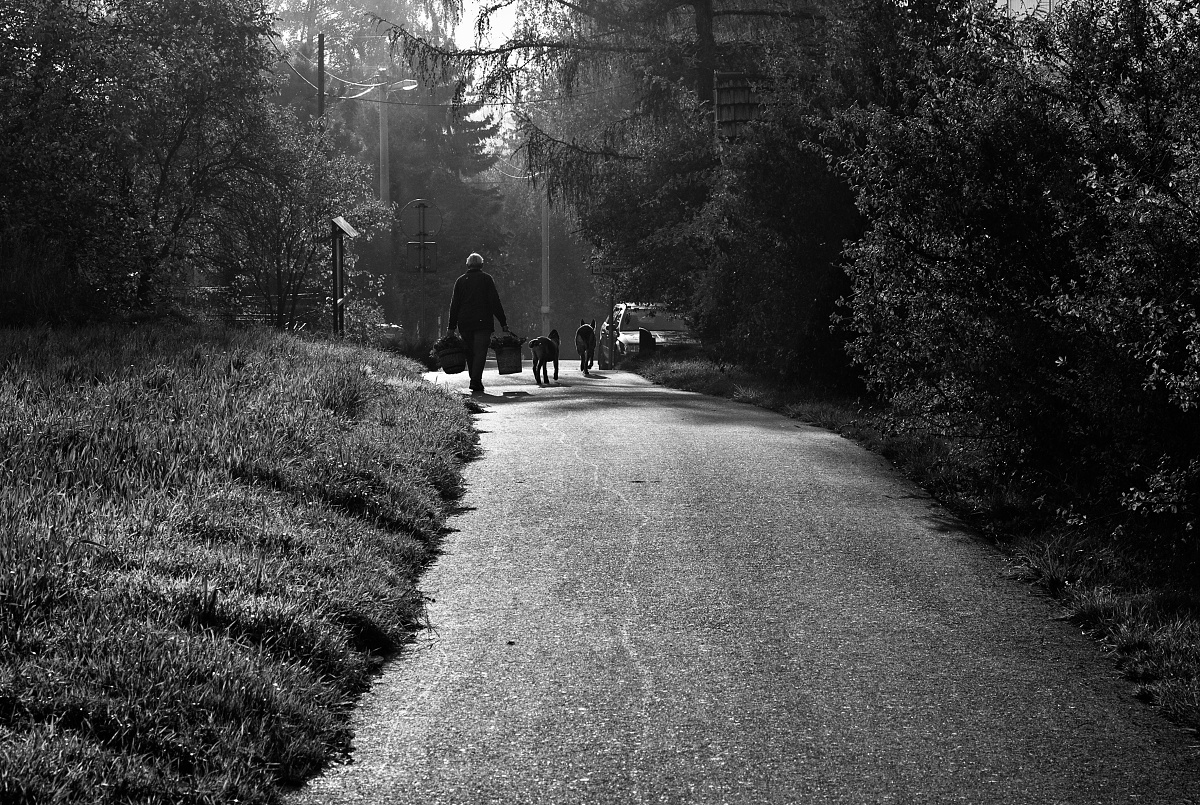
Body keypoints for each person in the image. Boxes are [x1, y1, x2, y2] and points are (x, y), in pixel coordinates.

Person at [447, 252, 509, 395]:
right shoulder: (486, 279)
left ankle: (474, 379)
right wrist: (503, 322)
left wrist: (451, 327)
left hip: (465, 323)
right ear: (481, 265)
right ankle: (475, 380)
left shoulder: (460, 281)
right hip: (483, 322)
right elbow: (495, 302)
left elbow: (454, 305)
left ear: (467, 265)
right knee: (480, 351)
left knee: (469, 352)